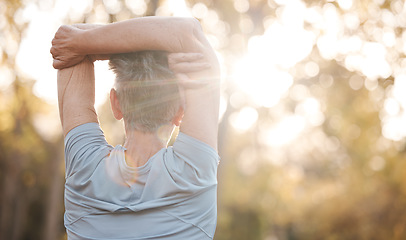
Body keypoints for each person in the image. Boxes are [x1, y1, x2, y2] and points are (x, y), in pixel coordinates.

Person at [50, 17, 220, 240]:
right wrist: (86, 42)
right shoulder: (194, 173)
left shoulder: (84, 167)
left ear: (115, 103)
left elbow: (70, 39)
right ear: (180, 111)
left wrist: (87, 44)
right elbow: (188, 31)